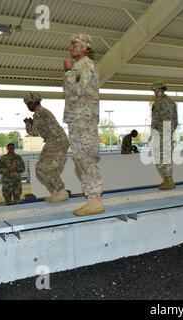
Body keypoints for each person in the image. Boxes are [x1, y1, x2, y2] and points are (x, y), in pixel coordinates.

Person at [63, 33, 104, 216]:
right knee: (80, 158)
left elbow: (78, 89)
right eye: (71, 44)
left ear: (85, 48)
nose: (71, 47)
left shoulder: (85, 65)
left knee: (85, 157)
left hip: (84, 117)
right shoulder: (78, 66)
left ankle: (95, 200)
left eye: (75, 44)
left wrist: (68, 72)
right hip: (77, 116)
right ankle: (92, 199)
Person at [23, 92, 70, 203]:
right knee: (40, 169)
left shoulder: (39, 113)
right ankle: (56, 192)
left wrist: (28, 123)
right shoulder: (43, 112)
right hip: (53, 142)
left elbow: (34, 132)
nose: (27, 106)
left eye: (28, 103)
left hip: (57, 142)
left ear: (32, 102)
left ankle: (61, 191)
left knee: (47, 168)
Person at [149, 82, 178, 190]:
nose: (154, 93)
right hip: (168, 129)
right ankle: (167, 180)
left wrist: (153, 132)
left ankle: (168, 181)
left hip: (161, 130)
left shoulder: (159, 102)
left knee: (160, 156)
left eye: (154, 91)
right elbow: (175, 119)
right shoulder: (171, 102)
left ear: (158, 90)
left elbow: (155, 119)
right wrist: (171, 129)